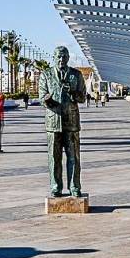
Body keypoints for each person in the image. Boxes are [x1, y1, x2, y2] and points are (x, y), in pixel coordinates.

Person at [39, 46, 86, 196]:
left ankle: (74, 187)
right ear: (54, 57)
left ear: (68, 58)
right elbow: (41, 97)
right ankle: (56, 187)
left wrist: (72, 92)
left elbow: (83, 97)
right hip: (53, 122)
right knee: (54, 157)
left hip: (71, 122)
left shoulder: (76, 75)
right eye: (59, 56)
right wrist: (47, 99)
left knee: (74, 157)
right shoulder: (46, 75)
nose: (61, 59)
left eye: (64, 56)